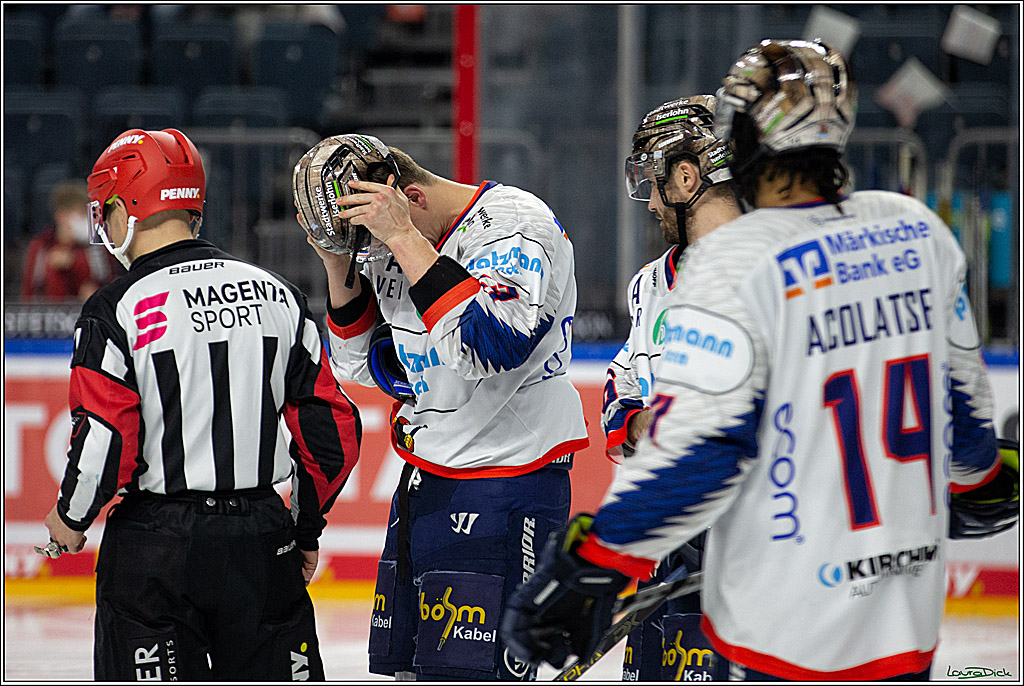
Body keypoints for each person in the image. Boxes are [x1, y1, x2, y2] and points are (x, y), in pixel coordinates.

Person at [503, 39, 1018, 681]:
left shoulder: (738, 261)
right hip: (902, 629)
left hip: (787, 635)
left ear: (745, 140)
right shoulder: (917, 232)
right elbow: (970, 450)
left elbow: (703, 456)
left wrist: (593, 563)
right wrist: (991, 481)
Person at [42, 128, 361, 681]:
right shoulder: (278, 293)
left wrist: (71, 515)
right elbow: (334, 434)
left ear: (128, 207)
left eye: (106, 208)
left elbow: (106, 439)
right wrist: (303, 527)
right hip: (262, 540)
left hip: (156, 552)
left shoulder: (113, 308)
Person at [294, 134, 588, 681]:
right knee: (405, 671)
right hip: (424, 480)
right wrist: (339, 266)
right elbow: (359, 364)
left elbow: (489, 346)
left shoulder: (515, 224)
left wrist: (402, 235)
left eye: (369, 237)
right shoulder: (384, 245)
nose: (373, 251)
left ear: (407, 194)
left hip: (508, 480)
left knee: (473, 676)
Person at [602, 94, 738, 681]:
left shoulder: (782, 272)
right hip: (667, 546)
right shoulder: (650, 284)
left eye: (656, 185)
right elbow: (623, 380)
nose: (651, 202)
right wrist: (638, 425)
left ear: (687, 175)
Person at [21, 180, 115, 301]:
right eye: (80, 213)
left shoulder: (97, 245)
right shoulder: (40, 246)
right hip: (49, 316)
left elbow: (105, 280)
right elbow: (29, 292)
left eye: (86, 214)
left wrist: (74, 262)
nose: (85, 219)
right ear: (61, 215)